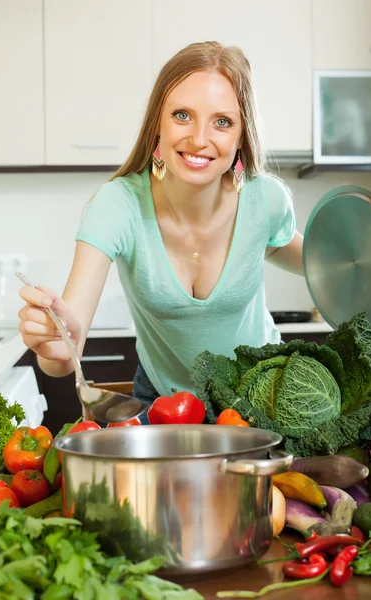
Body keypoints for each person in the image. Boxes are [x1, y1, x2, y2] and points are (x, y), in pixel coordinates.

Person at [18, 41, 304, 424]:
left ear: (241, 136)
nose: (199, 138)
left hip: (263, 399)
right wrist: (54, 347)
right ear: (158, 121)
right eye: (182, 115)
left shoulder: (265, 200)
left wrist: (360, 260)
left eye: (222, 121)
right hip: (166, 405)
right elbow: (66, 350)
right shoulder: (118, 205)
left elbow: (323, 264)